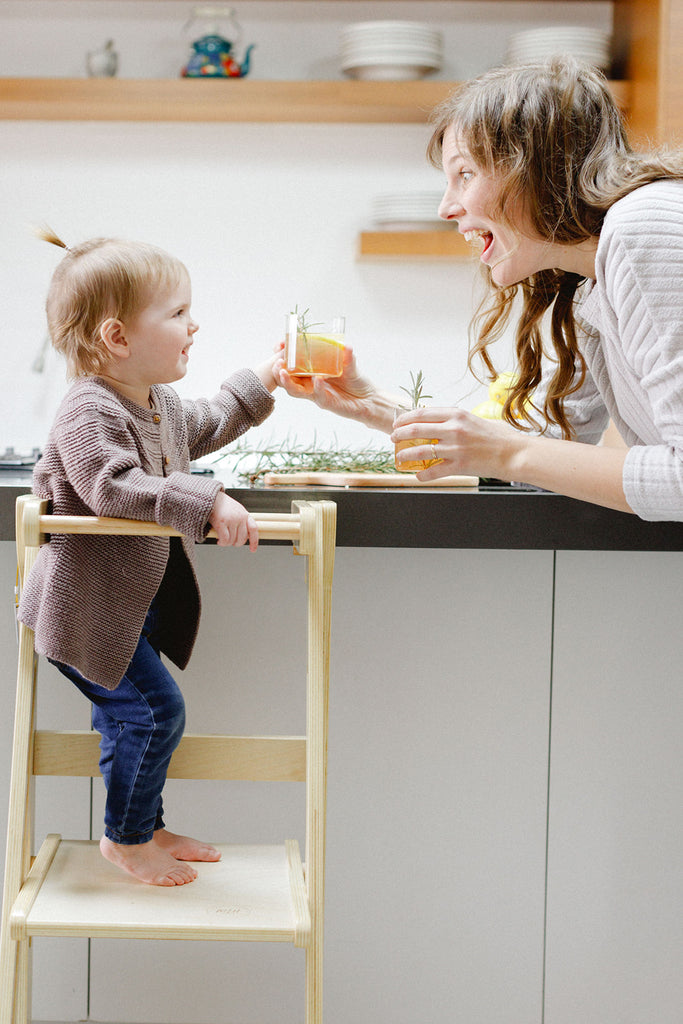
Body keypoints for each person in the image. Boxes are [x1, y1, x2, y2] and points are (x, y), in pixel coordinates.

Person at [276, 57, 683, 521]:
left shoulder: (643, 229)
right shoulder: (594, 281)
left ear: (535, 166)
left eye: (464, 175)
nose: (446, 207)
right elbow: (552, 445)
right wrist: (378, 408)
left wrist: (503, 451)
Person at [18, 232, 279, 885]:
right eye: (177, 313)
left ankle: (144, 824)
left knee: (128, 717)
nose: (195, 325)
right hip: (83, 613)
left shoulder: (156, 402)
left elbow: (210, 420)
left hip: (121, 608)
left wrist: (264, 380)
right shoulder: (87, 409)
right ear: (117, 338)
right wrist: (207, 500)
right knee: (153, 712)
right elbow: (112, 486)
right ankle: (127, 839)